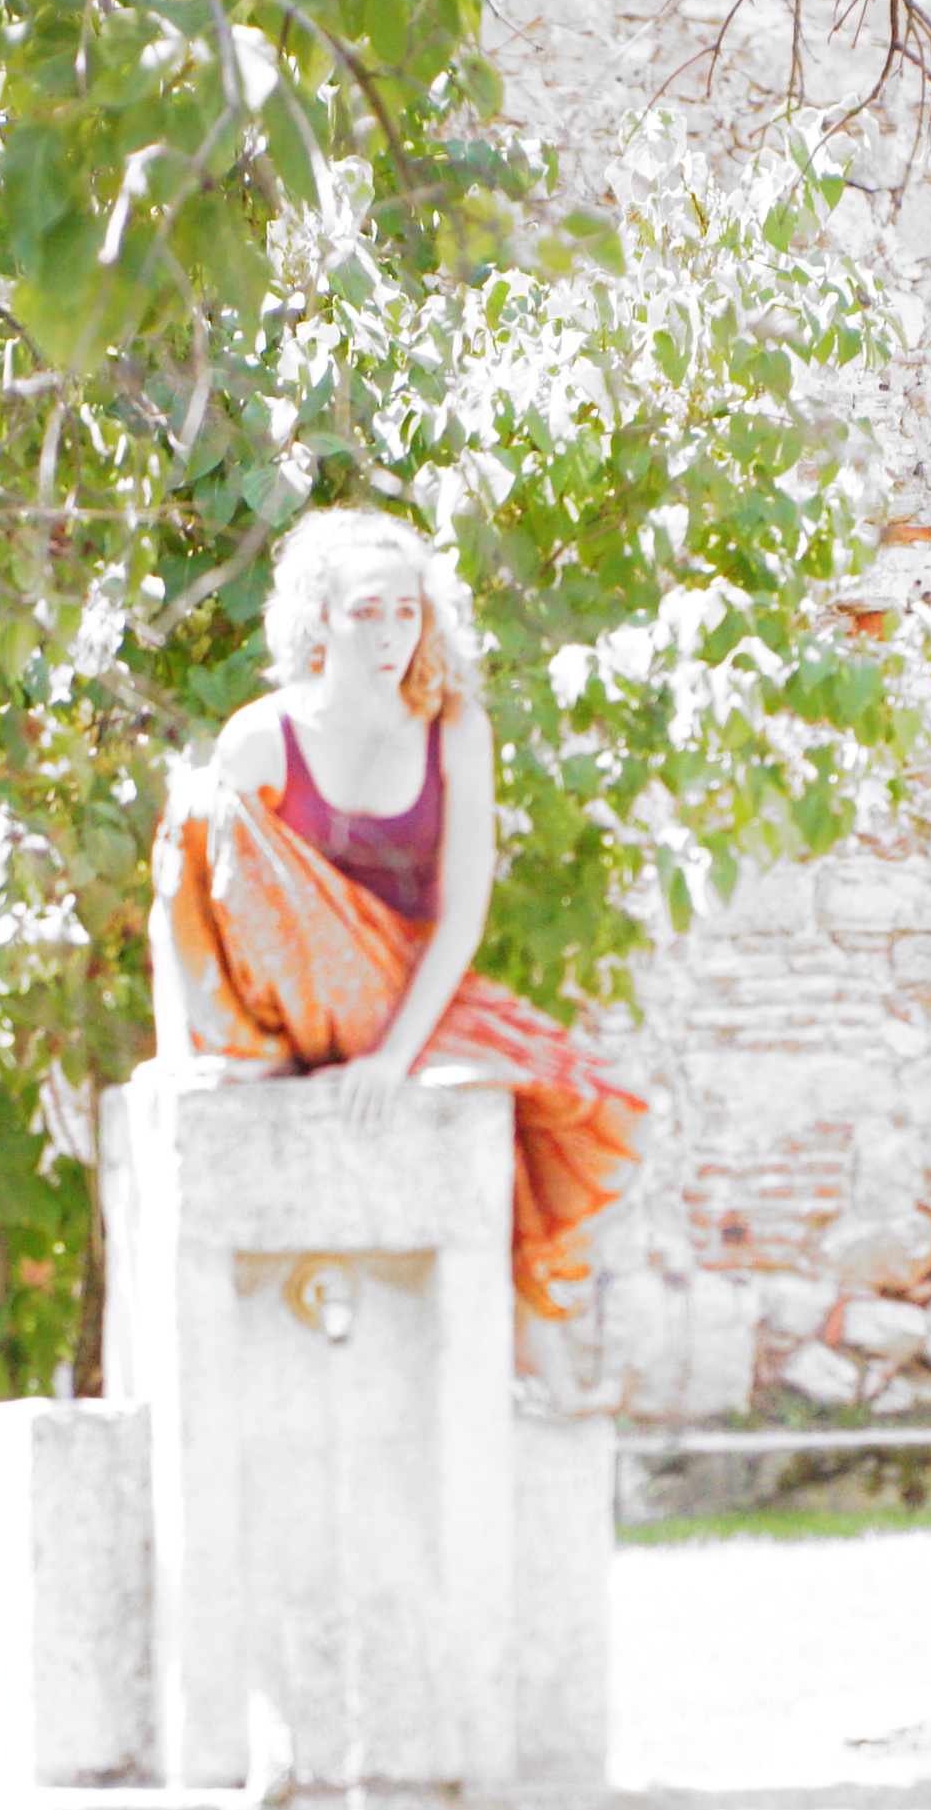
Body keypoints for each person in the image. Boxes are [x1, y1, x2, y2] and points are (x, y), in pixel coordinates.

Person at [153, 507, 644, 1316]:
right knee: (200, 803)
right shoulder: (263, 738)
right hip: (284, 993)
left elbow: (463, 912)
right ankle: (252, 1044)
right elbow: (179, 894)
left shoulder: (454, 728)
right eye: (366, 612)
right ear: (319, 620)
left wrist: (390, 1058)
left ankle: (530, 1348)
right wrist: (179, 1052)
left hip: (398, 993)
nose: (390, 635)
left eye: (406, 612)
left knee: (578, 1096)